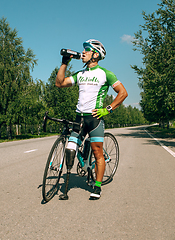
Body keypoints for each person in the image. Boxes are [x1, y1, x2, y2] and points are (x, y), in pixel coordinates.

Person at [55, 39, 128, 200]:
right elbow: (59, 83)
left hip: (94, 119)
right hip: (79, 118)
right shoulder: (80, 74)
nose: (83, 53)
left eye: (87, 50)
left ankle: (97, 187)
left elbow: (122, 93)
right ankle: (69, 183)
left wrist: (107, 109)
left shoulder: (105, 74)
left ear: (95, 54)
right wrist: (64, 63)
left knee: (97, 153)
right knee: (70, 148)